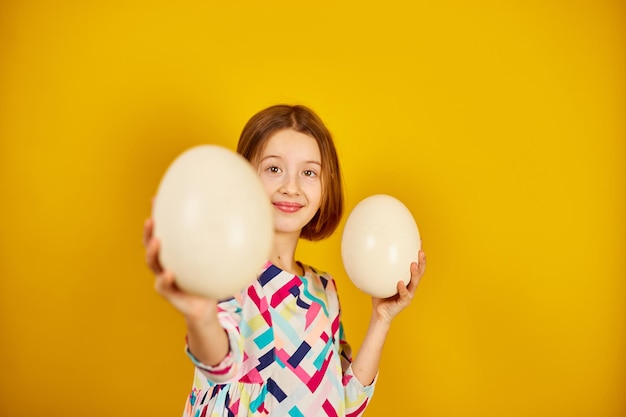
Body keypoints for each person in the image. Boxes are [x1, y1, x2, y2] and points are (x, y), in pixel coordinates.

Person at [143, 104, 427, 417]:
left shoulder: (324, 289)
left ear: (325, 186)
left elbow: (346, 404)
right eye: (274, 169)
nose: (291, 187)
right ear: (244, 177)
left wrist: (382, 318)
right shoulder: (230, 270)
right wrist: (200, 317)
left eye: (309, 172)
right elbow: (218, 364)